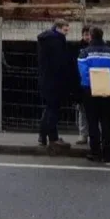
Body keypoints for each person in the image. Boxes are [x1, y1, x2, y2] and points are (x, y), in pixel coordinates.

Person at [78, 26, 110, 163]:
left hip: (89, 90)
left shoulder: (84, 53)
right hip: (106, 89)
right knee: (105, 121)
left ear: (91, 36)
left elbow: (83, 72)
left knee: (92, 121)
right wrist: (109, 83)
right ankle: (108, 152)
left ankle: (95, 152)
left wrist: (92, 84)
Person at [37, 19, 74, 149]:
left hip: (46, 80)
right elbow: (61, 63)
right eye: (65, 30)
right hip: (55, 81)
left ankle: (43, 135)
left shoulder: (47, 40)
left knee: (49, 108)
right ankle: (53, 138)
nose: (66, 33)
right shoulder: (57, 41)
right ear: (58, 28)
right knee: (53, 109)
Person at [72, 25, 91, 145]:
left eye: (89, 34)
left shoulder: (93, 47)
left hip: (91, 84)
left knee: (90, 112)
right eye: (85, 34)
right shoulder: (77, 48)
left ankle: (90, 135)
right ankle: (83, 135)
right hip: (81, 84)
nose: (87, 37)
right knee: (82, 111)